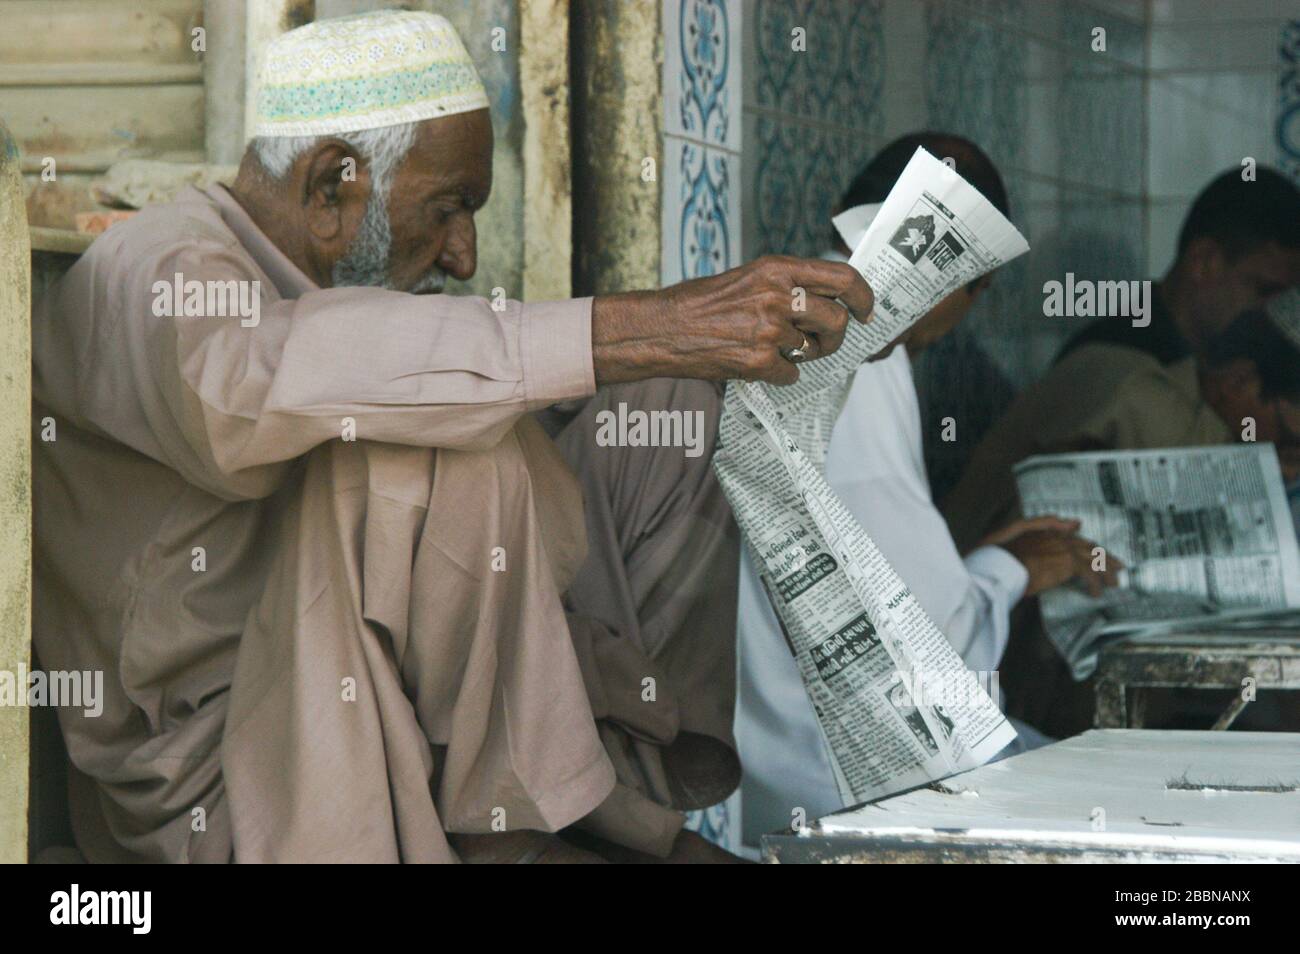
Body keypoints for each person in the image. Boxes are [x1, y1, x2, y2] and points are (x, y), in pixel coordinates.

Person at [31, 11, 874, 864]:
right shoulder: (156, 268)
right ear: (330, 188)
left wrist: (663, 352)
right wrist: (646, 322)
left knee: (670, 402)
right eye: (448, 208)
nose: (464, 255)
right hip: (235, 783)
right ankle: (526, 838)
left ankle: (608, 804)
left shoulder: (326, 281)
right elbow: (263, 384)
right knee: (446, 447)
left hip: (391, 693)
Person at [733, 133, 1113, 847]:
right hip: (846, 779)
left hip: (778, 760)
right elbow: (935, 649)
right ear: (964, 278)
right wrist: (1013, 571)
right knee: (1110, 798)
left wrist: (990, 558)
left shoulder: (794, 317)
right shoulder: (859, 354)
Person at [942, 299, 1300, 738]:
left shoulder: (1173, 400)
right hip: (968, 644)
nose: (1290, 466)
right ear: (1241, 381)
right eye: (1289, 442)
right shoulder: (1138, 393)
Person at [1057, 165, 1300, 365]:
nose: (1274, 314)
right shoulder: (1118, 367)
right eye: (1265, 291)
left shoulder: (1214, 366)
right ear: (1204, 262)